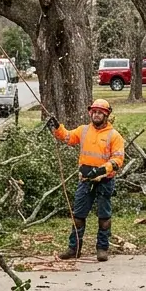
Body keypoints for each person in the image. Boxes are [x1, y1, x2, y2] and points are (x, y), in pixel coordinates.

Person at [46, 98, 125, 262]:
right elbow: (67, 137)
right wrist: (57, 128)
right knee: (78, 216)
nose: (96, 115)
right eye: (94, 112)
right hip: (85, 179)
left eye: (100, 112)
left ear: (106, 115)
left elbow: (117, 160)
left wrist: (103, 169)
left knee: (104, 216)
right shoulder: (83, 130)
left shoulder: (114, 136)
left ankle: (102, 248)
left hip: (105, 181)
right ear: (90, 113)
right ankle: (74, 248)